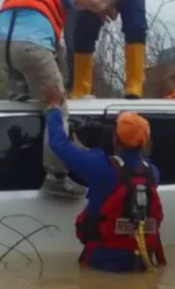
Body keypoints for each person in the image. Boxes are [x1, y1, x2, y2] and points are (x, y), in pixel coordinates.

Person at [0, 0, 115, 198]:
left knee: (19, 68)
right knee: (57, 107)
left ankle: (19, 91)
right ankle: (56, 177)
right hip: (30, 46)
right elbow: (88, 1)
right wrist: (105, 7)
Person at [43, 83, 166, 273]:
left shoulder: (100, 167)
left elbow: (58, 144)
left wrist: (53, 107)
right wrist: (84, 152)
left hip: (102, 262)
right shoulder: (152, 173)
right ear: (145, 143)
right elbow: (122, 170)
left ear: (115, 139)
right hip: (140, 261)